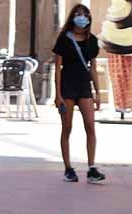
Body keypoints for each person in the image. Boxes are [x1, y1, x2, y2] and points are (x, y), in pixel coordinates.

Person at [53, 4, 106, 184]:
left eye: (85, 14)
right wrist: (57, 94)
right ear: (73, 17)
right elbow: (57, 69)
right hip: (67, 87)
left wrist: (98, 93)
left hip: (84, 87)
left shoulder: (91, 40)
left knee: (90, 126)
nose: (82, 17)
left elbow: (93, 68)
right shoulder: (64, 39)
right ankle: (68, 168)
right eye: (78, 14)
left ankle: (92, 168)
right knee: (67, 128)